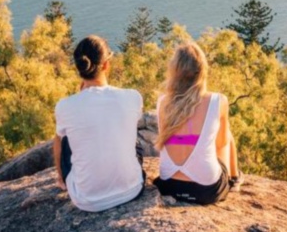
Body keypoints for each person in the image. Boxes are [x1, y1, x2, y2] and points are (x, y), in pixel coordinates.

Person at [52, 35, 145, 212]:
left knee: (61, 137)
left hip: (87, 200)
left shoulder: (65, 106)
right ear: (106, 65)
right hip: (132, 190)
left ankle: (61, 181)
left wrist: (61, 176)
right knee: (133, 138)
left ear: (79, 68)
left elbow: (61, 144)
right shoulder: (133, 96)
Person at [154, 42, 241, 205]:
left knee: (183, 138)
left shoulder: (162, 101)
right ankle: (234, 179)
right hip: (206, 190)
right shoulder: (218, 101)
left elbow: (179, 140)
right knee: (226, 135)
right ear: (202, 71)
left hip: (168, 186)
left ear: (174, 71)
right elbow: (221, 144)